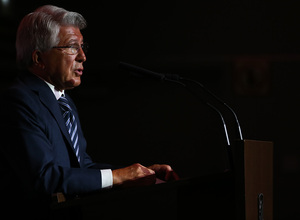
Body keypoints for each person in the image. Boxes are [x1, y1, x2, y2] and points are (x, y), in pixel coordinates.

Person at [0, 5, 178, 219]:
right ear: (39, 58)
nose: (83, 56)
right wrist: (119, 176)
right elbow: (44, 177)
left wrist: (135, 174)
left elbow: (80, 166)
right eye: (73, 47)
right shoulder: (19, 101)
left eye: (83, 47)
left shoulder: (63, 101)